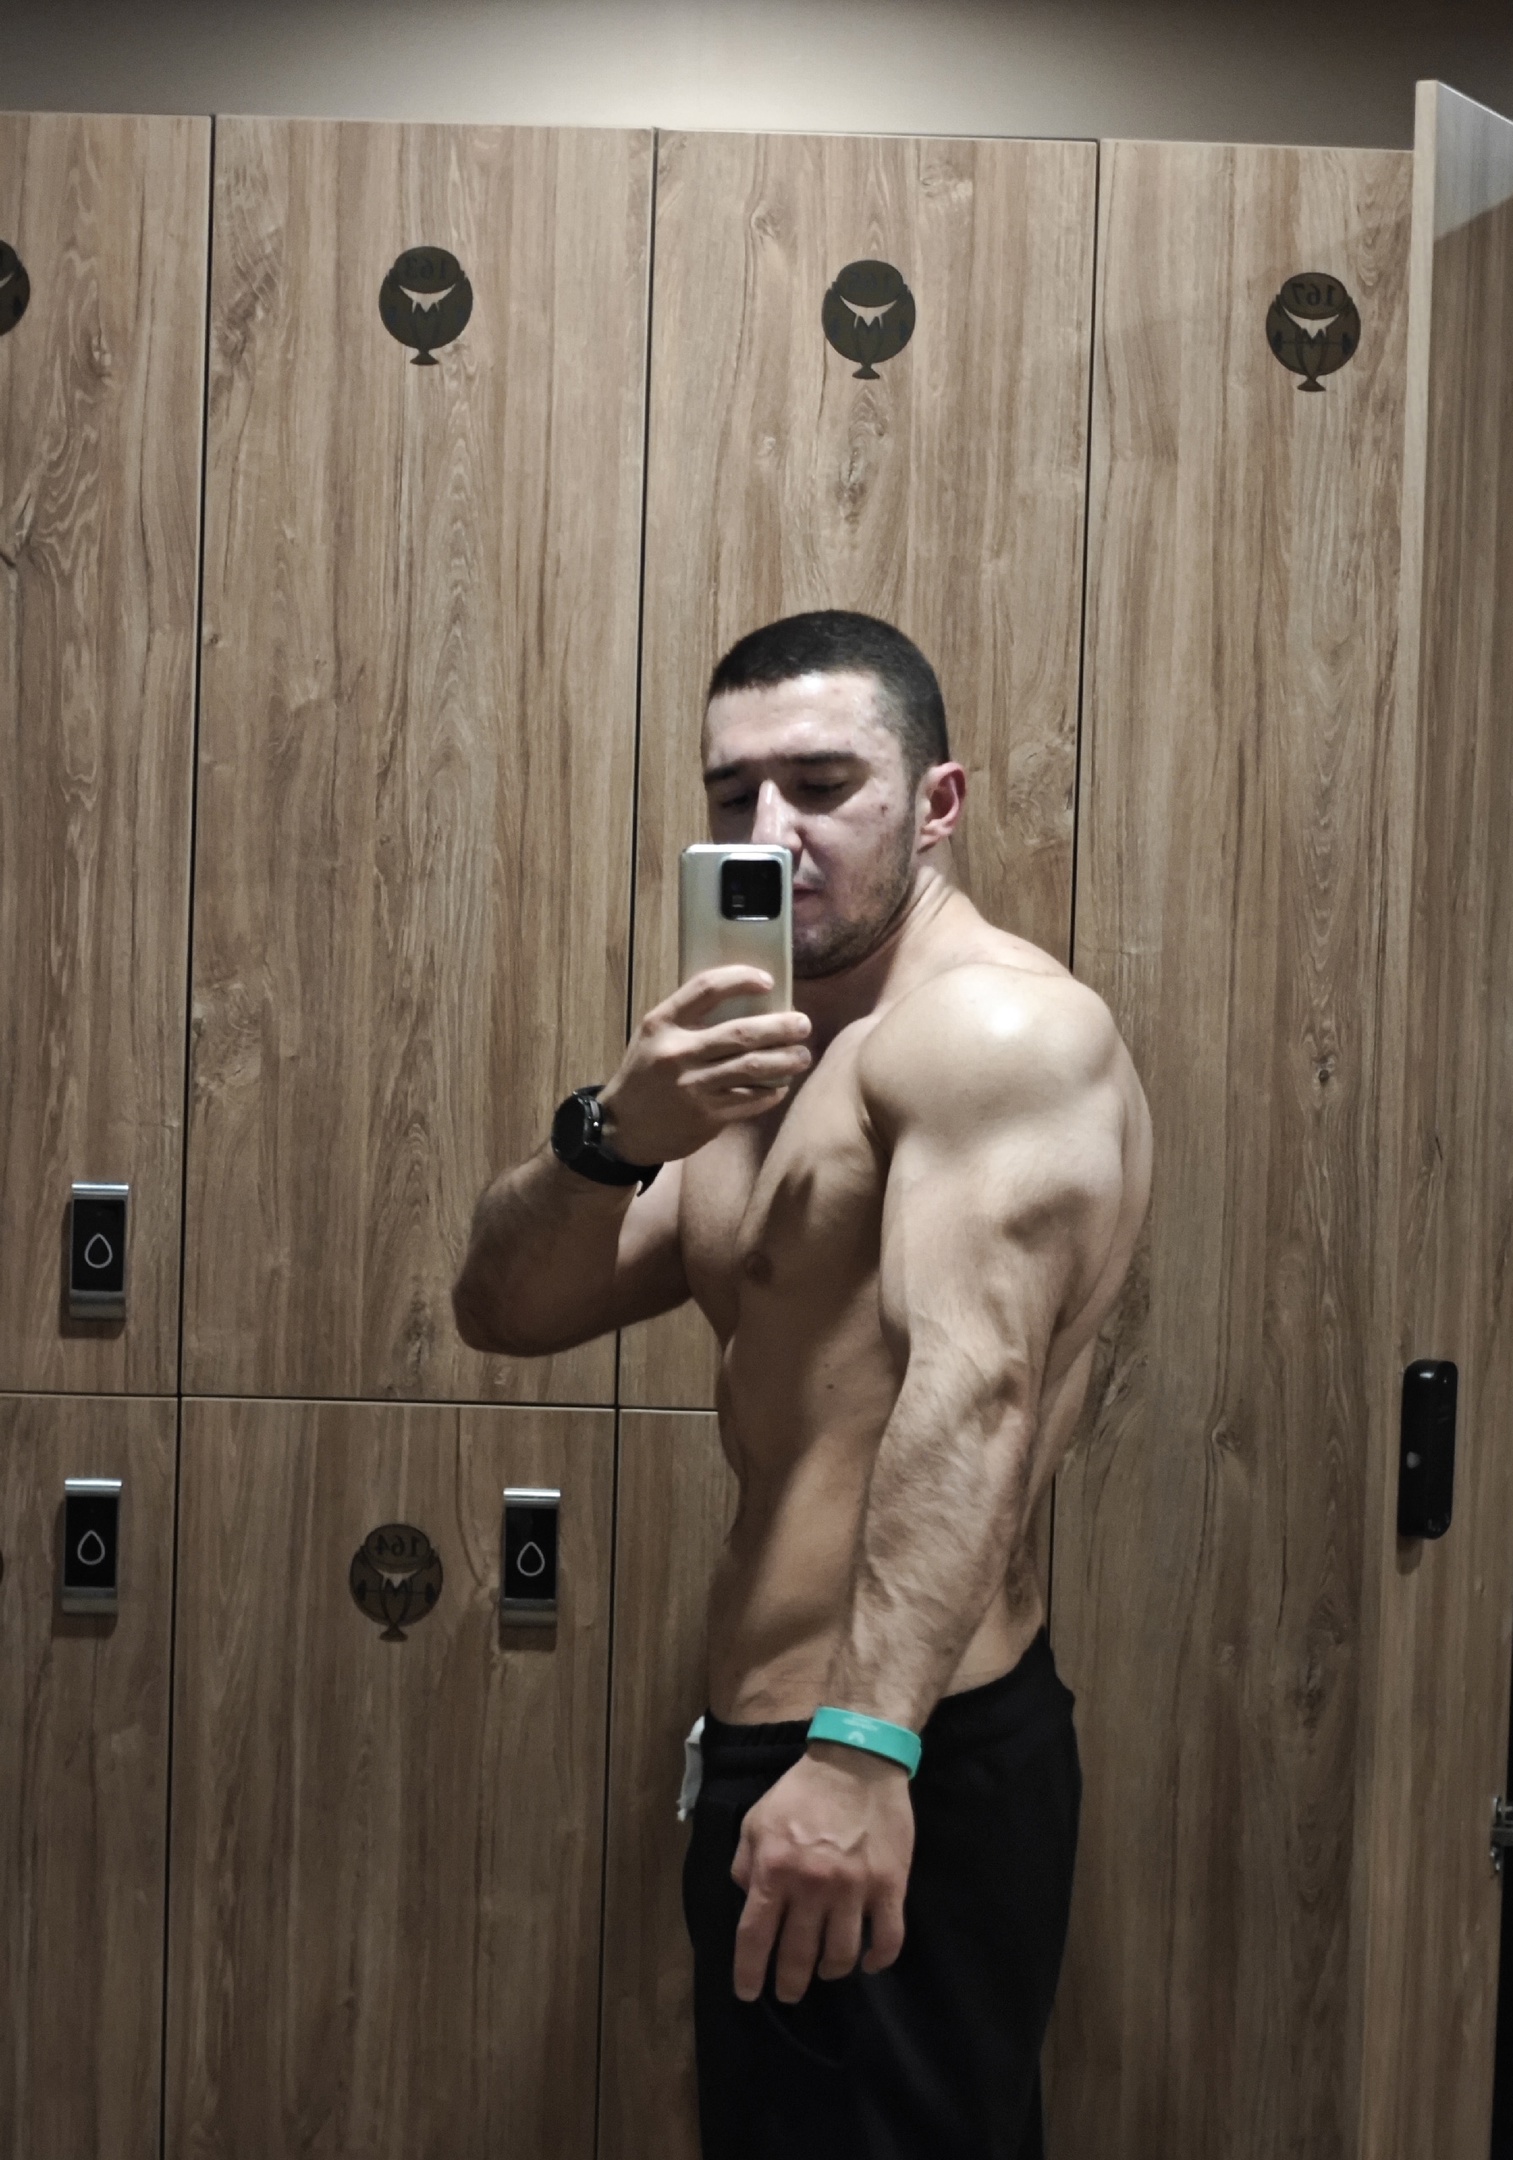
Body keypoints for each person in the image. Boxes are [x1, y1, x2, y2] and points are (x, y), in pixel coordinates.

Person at [452, 610, 1151, 2159]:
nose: (771, 833)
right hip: (799, 1757)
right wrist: (612, 1134)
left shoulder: (996, 1033)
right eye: (735, 795)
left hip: (898, 1755)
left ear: (938, 802)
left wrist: (858, 1757)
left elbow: (973, 1394)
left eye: (824, 786)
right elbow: (503, 1310)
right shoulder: (758, 1071)